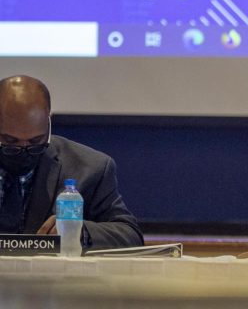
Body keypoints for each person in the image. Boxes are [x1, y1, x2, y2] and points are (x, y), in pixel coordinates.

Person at [0, 75, 143, 250]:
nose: (24, 151)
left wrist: (78, 232)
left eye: (35, 142)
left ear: (48, 122)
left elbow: (130, 235)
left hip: (53, 276)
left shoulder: (90, 168)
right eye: (10, 142)